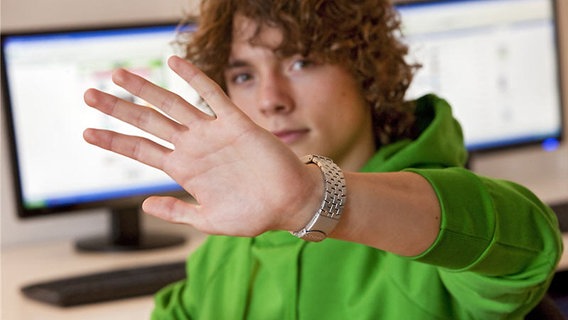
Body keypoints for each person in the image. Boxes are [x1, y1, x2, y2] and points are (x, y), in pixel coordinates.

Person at [82, 0, 563, 318]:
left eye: (301, 62)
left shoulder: (431, 219)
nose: (272, 99)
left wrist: (316, 198)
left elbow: (527, 246)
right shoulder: (223, 250)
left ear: (367, 69)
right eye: (245, 75)